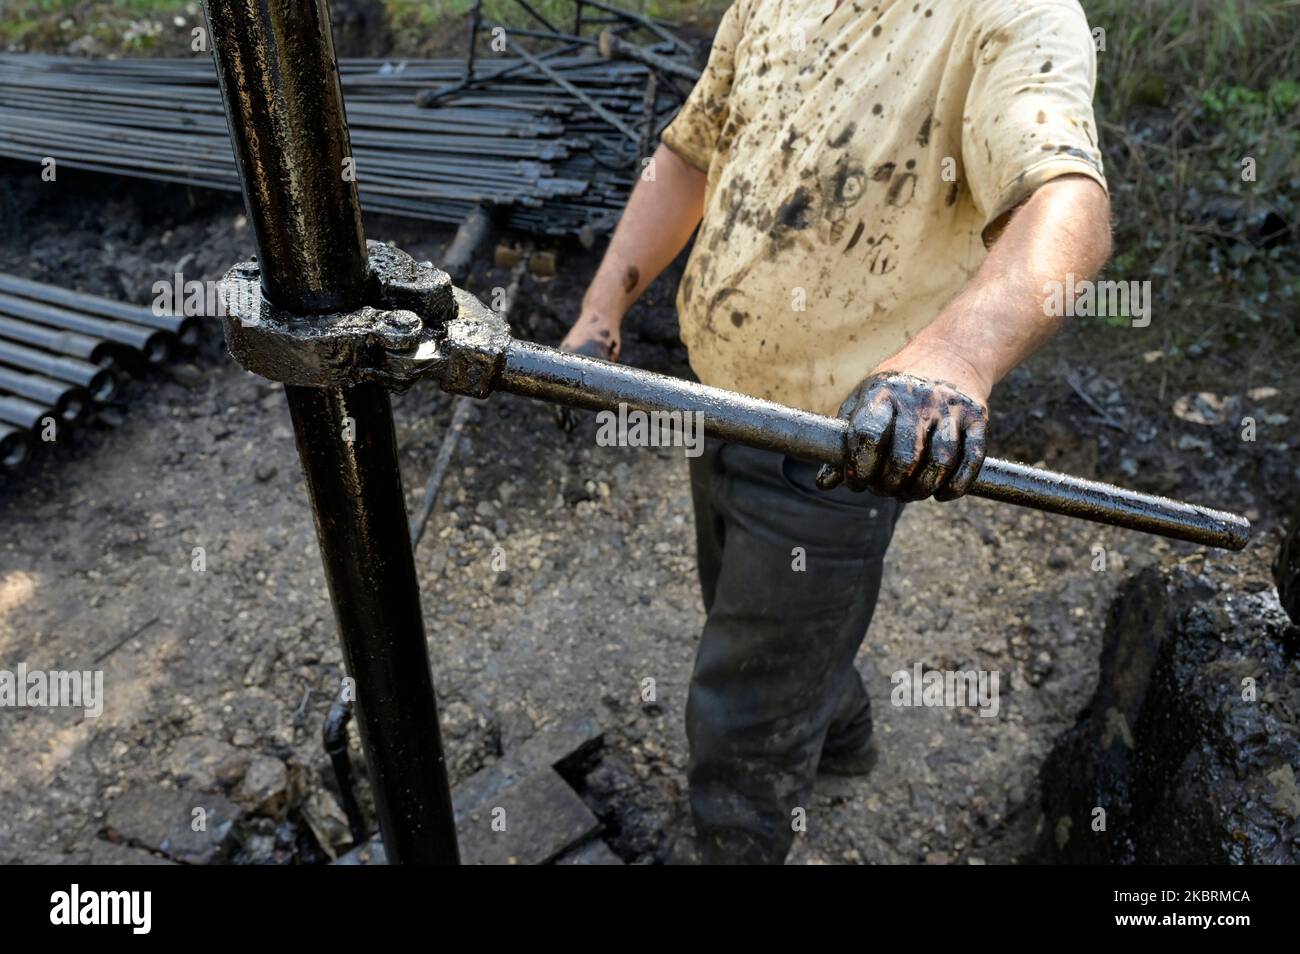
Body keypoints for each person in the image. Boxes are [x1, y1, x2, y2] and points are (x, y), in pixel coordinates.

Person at [560, 0, 1112, 864]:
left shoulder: (1013, 15)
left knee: (741, 711)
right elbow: (688, 154)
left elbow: (1066, 203)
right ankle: (842, 732)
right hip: (721, 401)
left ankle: (741, 838)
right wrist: (600, 311)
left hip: (836, 451)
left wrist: (956, 358)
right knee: (746, 604)